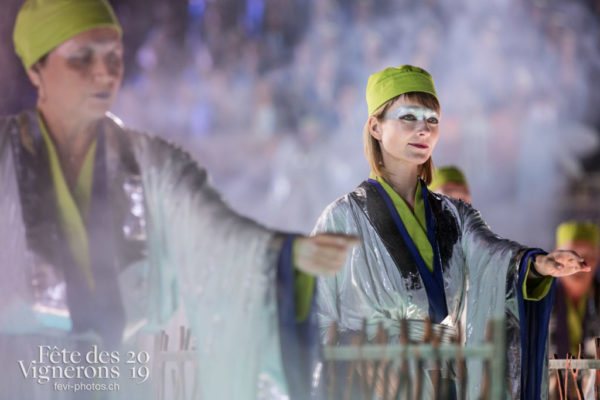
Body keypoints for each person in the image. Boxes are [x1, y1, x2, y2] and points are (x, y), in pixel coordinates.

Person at [0, 1, 356, 399]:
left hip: (118, 371)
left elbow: (213, 231)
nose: (104, 71)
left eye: (113, 56)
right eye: (82, 58)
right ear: (36, 70)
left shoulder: (150, 162)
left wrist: (282, 254)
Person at [313, 65, 589, 399]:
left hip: (445, 383)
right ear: (375, 126)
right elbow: (315, 318)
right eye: (408, 117)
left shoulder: (453, 216)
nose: (423, 130)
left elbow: (493, 255)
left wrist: (535, 264)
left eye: (432, 120)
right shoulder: (341, 219)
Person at [549, 221, 600, 397]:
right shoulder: (538, 304)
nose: (577, 264)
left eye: (587, 256)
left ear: (598, 257)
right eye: (571, 256)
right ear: (556, 257)